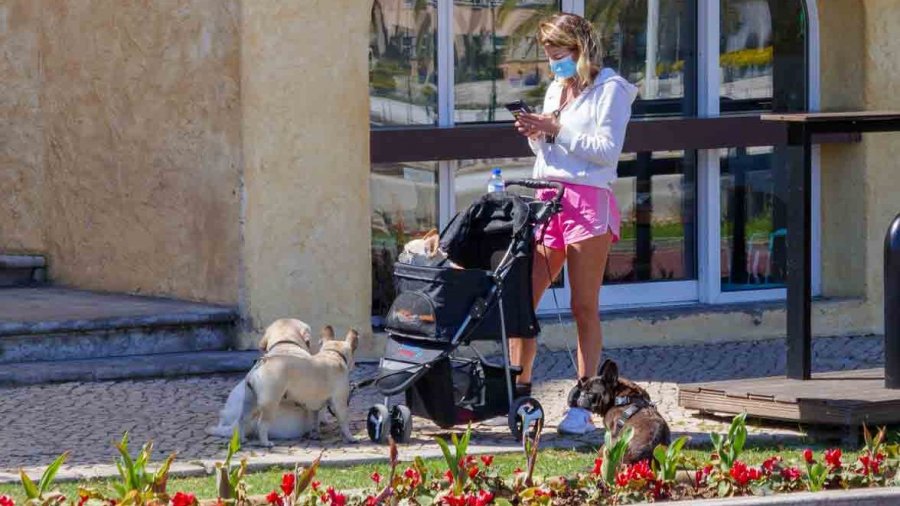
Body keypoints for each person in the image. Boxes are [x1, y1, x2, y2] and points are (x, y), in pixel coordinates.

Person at [510, 13, 638, 435]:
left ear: (581, 49)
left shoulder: (612, 90)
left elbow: (605, 150)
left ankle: (584, 404)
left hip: (588, 201)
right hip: (548, 197)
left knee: (583, 305)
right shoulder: (555, 89)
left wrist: (556, 128)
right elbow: (551, 147)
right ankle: (518, 390)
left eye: (558, 53)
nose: (552, 62)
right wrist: (536, 131)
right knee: (522, 299)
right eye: (548, 54)